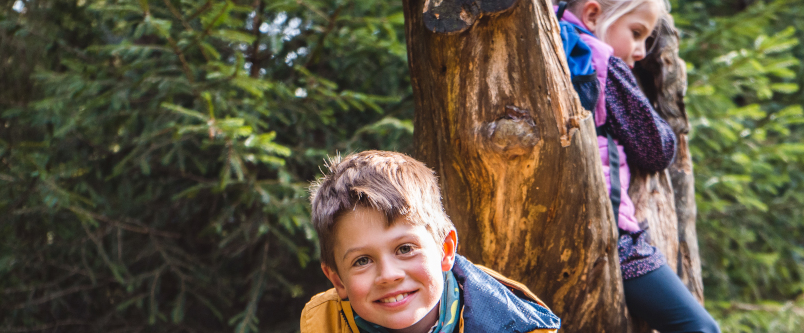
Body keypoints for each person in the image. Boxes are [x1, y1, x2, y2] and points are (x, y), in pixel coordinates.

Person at [557, 0, 722, 331]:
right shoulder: (602, 63)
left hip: (558, 222)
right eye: (636, 33)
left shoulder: (554, 46)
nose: (640, 51)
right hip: (609, 237)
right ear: (592, 15)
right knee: (700, 327)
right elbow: (657, 148)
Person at [300, 151, 561, 333]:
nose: (388, 276)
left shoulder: (514, 324)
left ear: (445, 249)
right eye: (362, 261)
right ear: (337, 279)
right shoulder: (325, 323)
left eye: (405, 249)